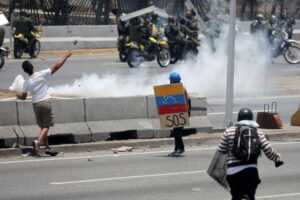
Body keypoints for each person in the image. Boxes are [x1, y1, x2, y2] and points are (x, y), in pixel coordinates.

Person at [217, 108, 284, 200]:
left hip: (233, 173)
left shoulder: (229, 131)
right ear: (251, 119)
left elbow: (221, 151)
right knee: (248, 196)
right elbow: (268, 150)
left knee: (236, 196)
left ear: (239, 118)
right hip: (251, 172)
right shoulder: (257, 132)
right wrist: (277, 159)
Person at [16, 51, 72, 156]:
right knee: (46, 126)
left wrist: (17, 95)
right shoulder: (42, 74)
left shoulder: (26, 82)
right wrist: (65, 56)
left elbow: (23, 97)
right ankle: (38, 142)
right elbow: (57, 66)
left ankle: (47, 148)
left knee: (43, 127)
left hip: (36, 105)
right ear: (32, 67)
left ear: (25, 71)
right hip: (46, 103)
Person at [168, 72, 190, 156]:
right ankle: (176, 149)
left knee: (177, 132)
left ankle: (180, 148)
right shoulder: (175, 88)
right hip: (177, 113)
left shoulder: (180, 89)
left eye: (170, 80)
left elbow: (179, 102)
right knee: (175, 131)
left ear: (173, 81)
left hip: (182, 112)